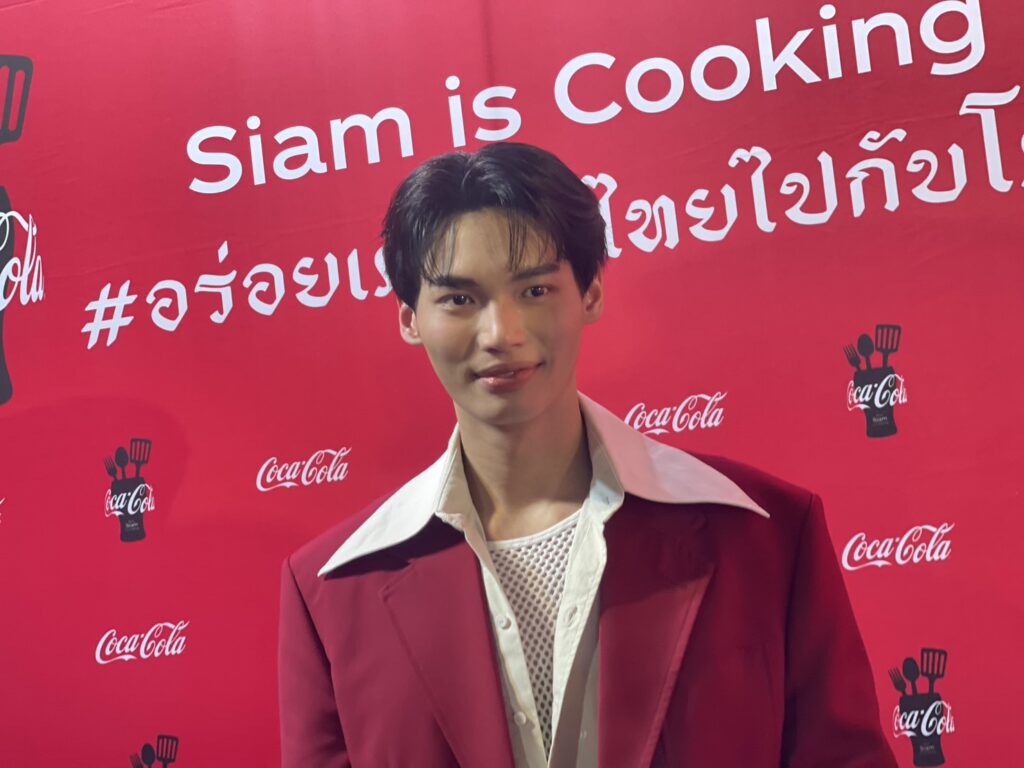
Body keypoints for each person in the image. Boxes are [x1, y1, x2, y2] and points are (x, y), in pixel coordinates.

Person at [278, 142, 898, 767]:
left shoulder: (766, 534)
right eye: (460, 300)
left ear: (592, 293)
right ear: (411, 318)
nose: (501, 334)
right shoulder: (332, 593)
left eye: (535, 289)